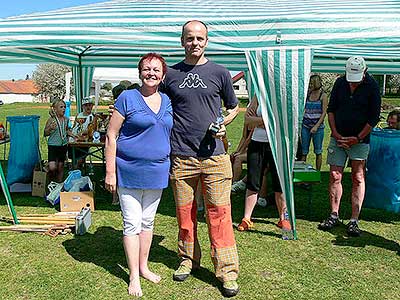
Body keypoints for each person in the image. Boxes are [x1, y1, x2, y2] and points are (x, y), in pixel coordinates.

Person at [161, 20, 240, 297]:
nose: (195, 43)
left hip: (215, 158)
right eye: (190, 38)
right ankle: (187, 259)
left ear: (207, 41)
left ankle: (227, 271)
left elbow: (234, 106)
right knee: (185, 215)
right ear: (182, 41)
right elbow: (157, 108)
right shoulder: (169, 75)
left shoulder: (220, 72)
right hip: (181, 156)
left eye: (200, 38)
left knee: (219, 215)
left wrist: (226, 121)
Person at [105, 53, 173, 297]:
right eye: (147, 69)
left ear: (163, 75)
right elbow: (111, 135)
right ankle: (133, 275)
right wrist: (110, 171)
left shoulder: (167, 101)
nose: (151, 73)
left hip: (157, 172)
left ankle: (144, 266)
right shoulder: (127, 97)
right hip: (129, 171)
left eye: (156, 70)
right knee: (132, 223)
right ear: (140, 72)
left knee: (148, 222)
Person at [318, 56, 381, 237]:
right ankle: (334, 214)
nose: (352, 84)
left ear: (364, 72)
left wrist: (358, 138)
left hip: (360, 140)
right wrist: (336, 133)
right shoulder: (339, 83)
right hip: (338, 138)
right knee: (334, 175)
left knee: (358, 176)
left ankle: (354, 220)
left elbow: (373, 118)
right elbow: (331, 110)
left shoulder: (372, 87)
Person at [237, 96, 290, 232]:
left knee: (279, 183)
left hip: (277, 145)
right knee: (253, 181)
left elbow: (284, 120)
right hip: (257, 144)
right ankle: (246, 218)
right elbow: (248, 121)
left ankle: (283, 218)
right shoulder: (258, 95)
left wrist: (259, 122)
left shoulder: (281, 94)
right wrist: (267, 121)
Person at [300, 74, 328, 171]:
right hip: (305, 126)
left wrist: (316, 126)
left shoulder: (323, 96)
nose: (310, 85)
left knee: (318, 151)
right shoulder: (307, 94)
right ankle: (302, 173)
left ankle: (318, 172)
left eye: (312, 83)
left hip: (318, 128)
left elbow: (324, 113)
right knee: (304, 151)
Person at [44, 99, 71, 183]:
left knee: (60, 165)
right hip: (53, 145)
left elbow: (66, 130)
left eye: (64, 107)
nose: (63, 109)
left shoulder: (66, 119)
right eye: (61, 107)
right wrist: (50, 128)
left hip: (63, 145)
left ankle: (59, 182)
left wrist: (73, 135)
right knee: (52, 167)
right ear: (55, 109)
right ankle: (50, 175)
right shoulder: (51, 120)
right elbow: (45, 133)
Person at [68, 96, 95, 168]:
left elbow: (92, 129)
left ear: (92, 106)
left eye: (90, 105)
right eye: (86, 105)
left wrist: (83, 133)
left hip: (84, 140)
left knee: (80, 159)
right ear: (83, 106)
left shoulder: (93, 117)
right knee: (73, 156)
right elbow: (74, 126)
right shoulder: (79, 115)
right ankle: (74, 170)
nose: (88, 107)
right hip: (74, 138)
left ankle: (77, 169)